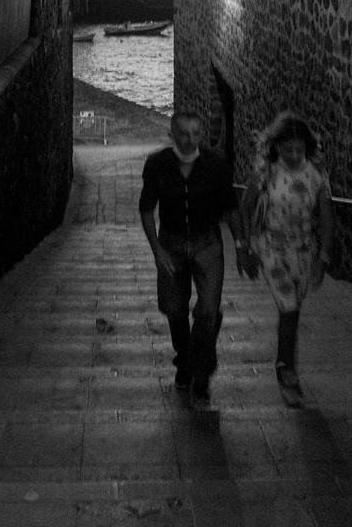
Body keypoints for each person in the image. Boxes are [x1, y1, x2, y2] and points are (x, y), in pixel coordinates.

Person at [139, 110, 250, 402]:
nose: (190, 140)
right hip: (172, 244)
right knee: (174, 309)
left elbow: (230, 206)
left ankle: (199, 371)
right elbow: (147, 209)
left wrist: (240, 245)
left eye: (196, 133)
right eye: (184, 134)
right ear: (171, 135)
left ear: (202, 134)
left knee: (208, 310)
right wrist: (156, 250)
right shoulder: (157, 165)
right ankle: (185, 359)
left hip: (208, 244)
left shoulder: (216, 165)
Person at [239, 112, 335, 405]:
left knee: (293, 309)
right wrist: (245, 247)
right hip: (272, 247)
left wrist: (323, 256)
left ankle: (288, 362)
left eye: (299, 149)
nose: (294, 154)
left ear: (307, 146)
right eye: (287, 149)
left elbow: (327, 216)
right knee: (289, 306)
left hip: (303, 249)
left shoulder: (317, 173)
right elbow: (245, 208)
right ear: (277, 147)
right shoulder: (265, 171)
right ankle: (285, 368)